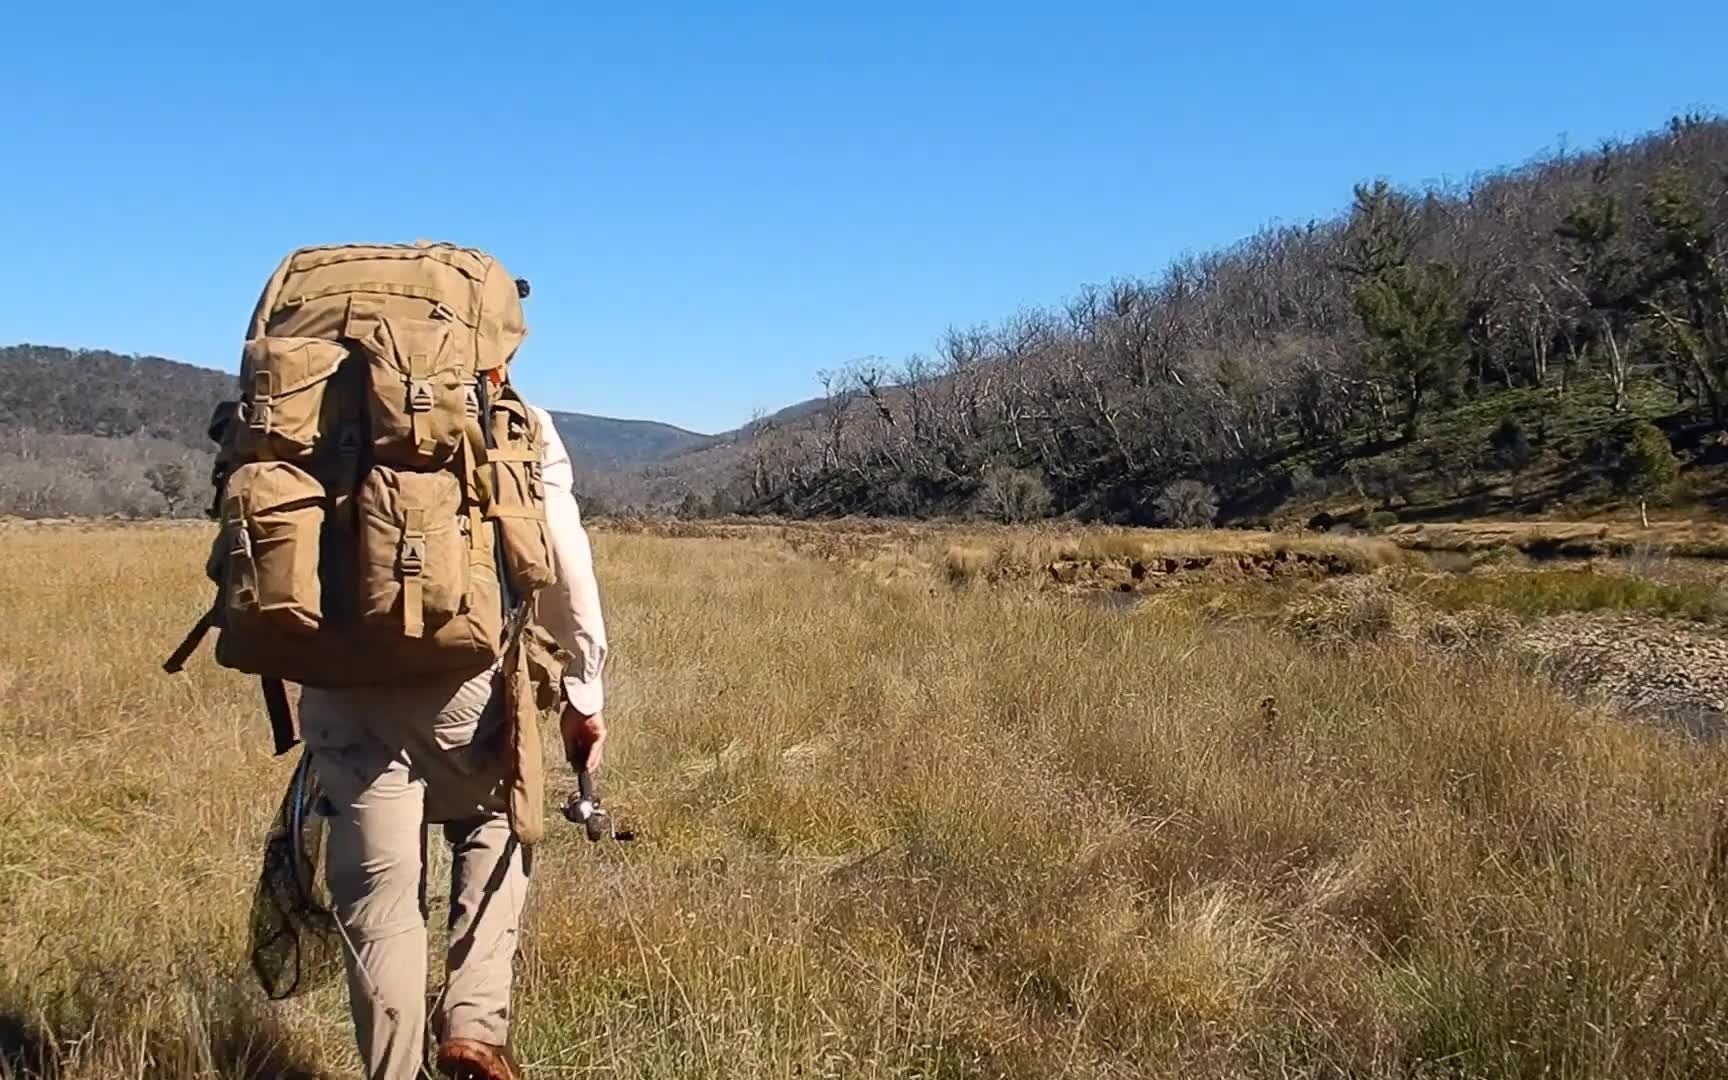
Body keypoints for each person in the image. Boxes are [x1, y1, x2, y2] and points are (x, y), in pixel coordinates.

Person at [296, 404, 608, 1080]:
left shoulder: (310, 407)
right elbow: (563, 557)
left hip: (339, 684)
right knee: (499, 817)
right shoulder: (510, 417)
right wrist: (584, 694)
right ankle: (473, 1024)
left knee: (379, 901)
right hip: (465, 681)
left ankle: (393, 1070)